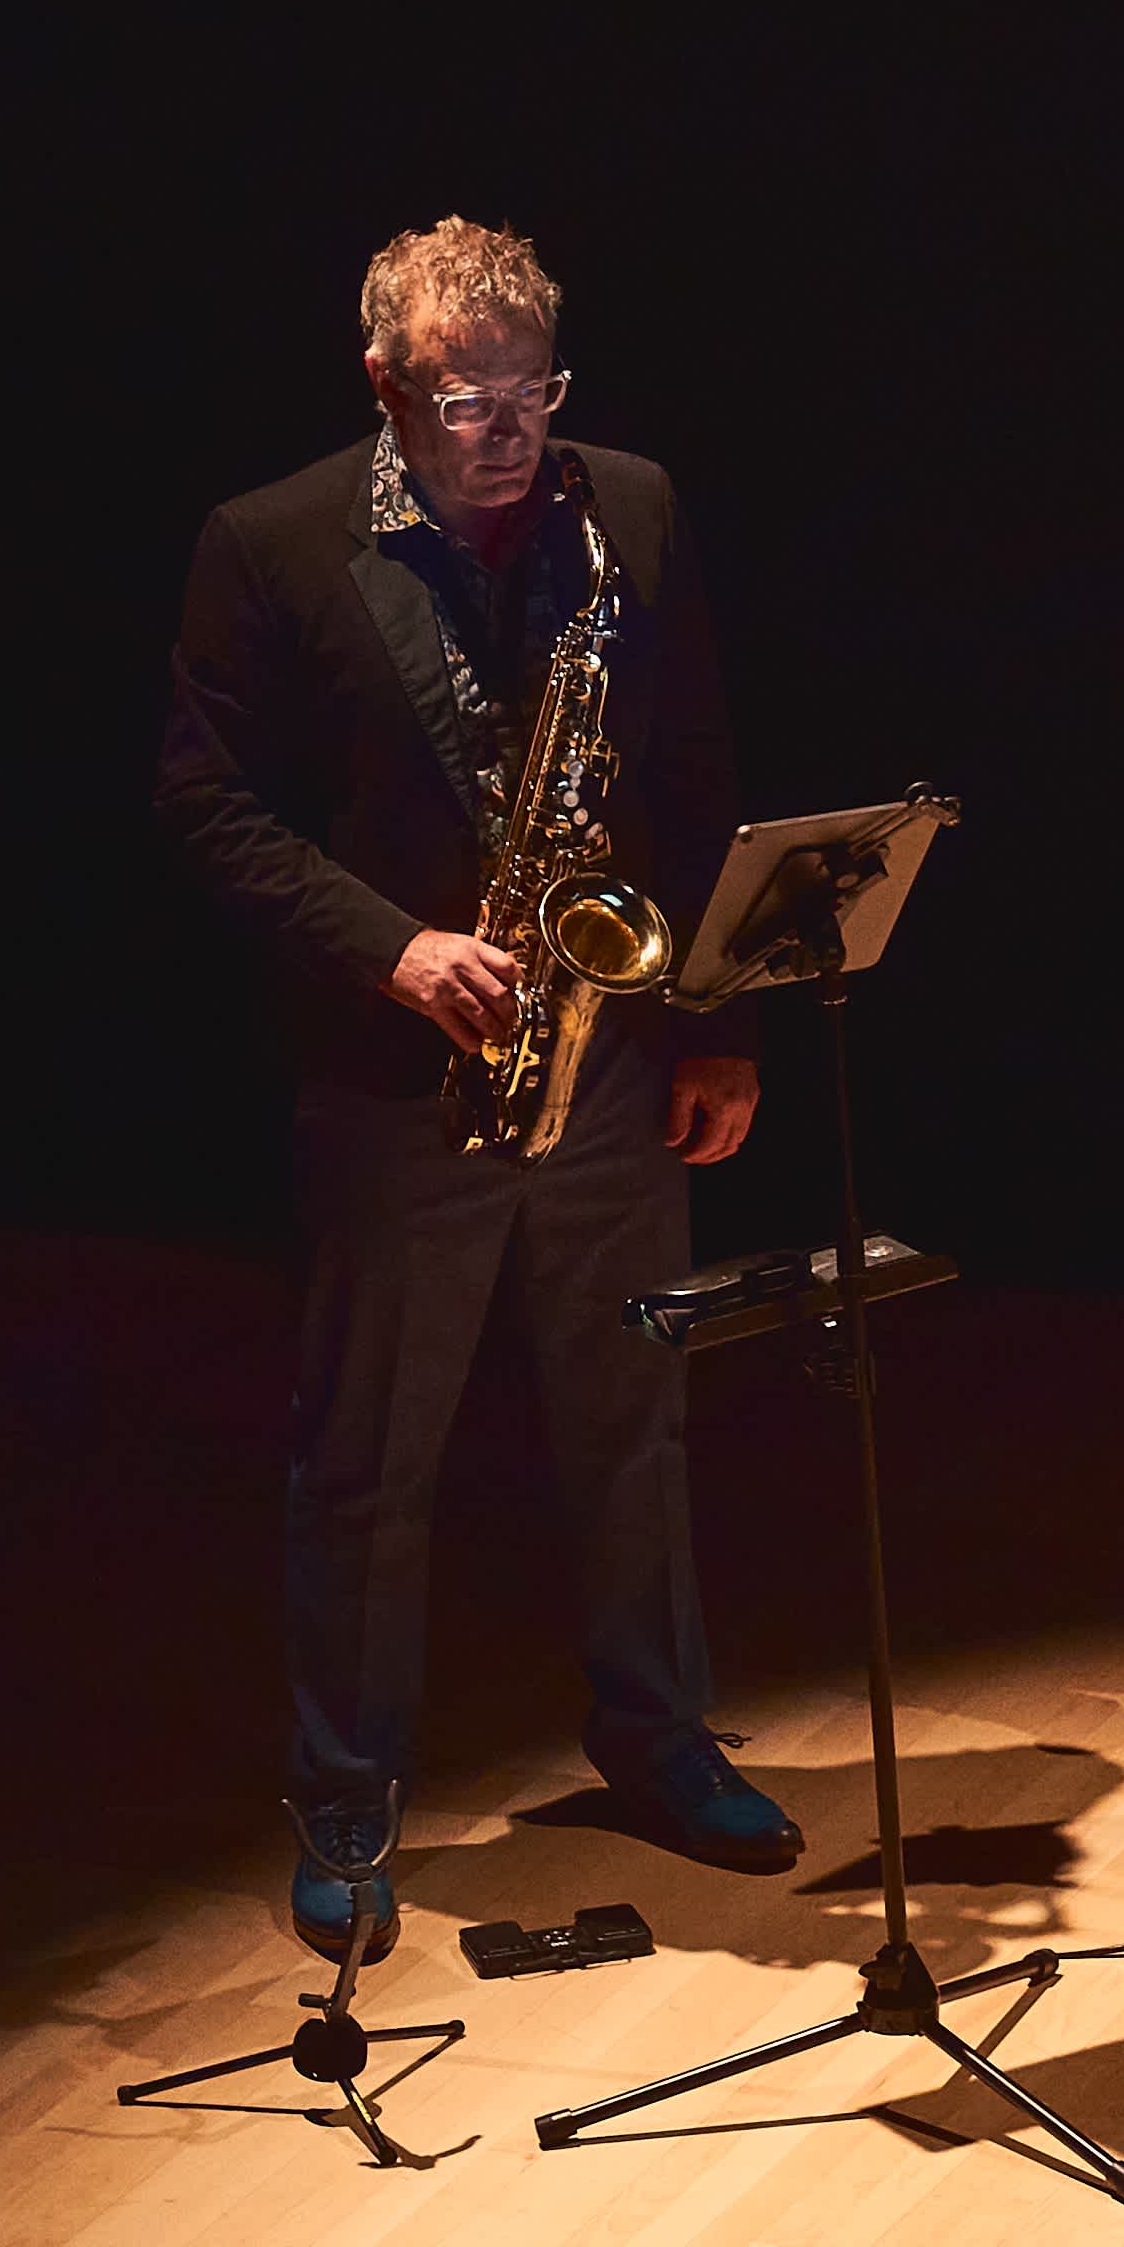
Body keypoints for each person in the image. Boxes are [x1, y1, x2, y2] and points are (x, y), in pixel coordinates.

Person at [154, 216, 793, 1957]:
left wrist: (720, 1023)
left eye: (532, 393)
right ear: (385, 385)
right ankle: (350, 1800)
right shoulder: (272, 545)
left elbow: (697, 760)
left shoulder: (630, 508)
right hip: (398, 1077)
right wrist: (393, 946)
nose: (507, 433)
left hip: (608, 1062)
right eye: (463, 402)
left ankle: (658, 1739)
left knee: (634, 1427)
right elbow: (208, 808)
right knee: (369, 1461)